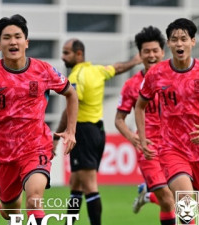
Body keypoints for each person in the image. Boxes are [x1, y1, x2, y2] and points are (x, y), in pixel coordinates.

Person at [0, 14, 78, 225]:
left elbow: (71, 94)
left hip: (36, 146)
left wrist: (71, 130)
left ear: (26, 42)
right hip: (5, 154)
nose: (13, 41)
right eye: (7, 38)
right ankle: (9, 205)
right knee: (10, 212)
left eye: (18, 36)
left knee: (34, 200)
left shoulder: (43, 70)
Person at [53, 39, 141, 225]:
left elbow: (70, 108)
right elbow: (116, 68)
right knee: (76, 183)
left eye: (66, 52)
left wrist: (56, 135)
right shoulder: (97, 70)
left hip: (83, 131)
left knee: (89, 185)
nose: (63, 56)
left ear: (78, 54)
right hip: (97, 131)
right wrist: (133, 62)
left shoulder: (76, 77)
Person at [135, 18, 199, 224]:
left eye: (183, 39)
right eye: (174, 39)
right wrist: (142, 138)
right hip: (172, 149)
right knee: (186, 204)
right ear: (168, 43)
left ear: (193, 41)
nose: (179, 44)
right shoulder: (156, 74)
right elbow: (140, 105)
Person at [114, 26, 175, 224]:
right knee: (167, 198)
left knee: (182, 198)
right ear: (139, 55)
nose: (151, 55)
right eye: (146, 51)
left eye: (155, 50)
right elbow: (119, 119)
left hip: (177, 146)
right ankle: (150, 195)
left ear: (162, 52)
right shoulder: (132, 85)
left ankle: (147, 195)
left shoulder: (176, 79)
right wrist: (133, 138)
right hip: (149, 149)